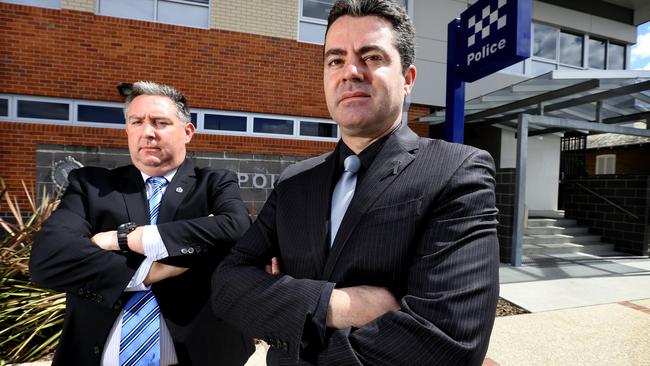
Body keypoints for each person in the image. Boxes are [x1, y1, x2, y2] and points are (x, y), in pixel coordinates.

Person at [210, 0, 500, 365]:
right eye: (335, 60)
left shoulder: (457, 171)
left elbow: (446, 340)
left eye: (372, 57)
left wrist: (287, 317)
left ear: (407, 79)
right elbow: (227, 285)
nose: (350, 71)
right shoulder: (294, 183)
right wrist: (334, 305)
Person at [30, 81, 254, 365]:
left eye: (160, 123)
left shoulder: (214, 184)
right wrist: (149, 269)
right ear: (127, 130)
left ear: (187, 132)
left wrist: (123, 240)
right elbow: (48, 260)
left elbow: (235, 230)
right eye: (137, 122)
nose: (147, 132)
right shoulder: (92, 187)